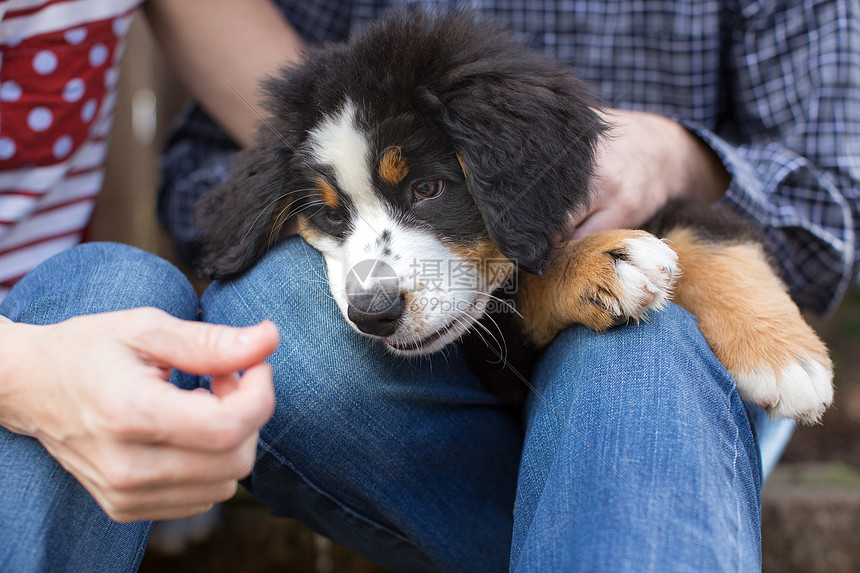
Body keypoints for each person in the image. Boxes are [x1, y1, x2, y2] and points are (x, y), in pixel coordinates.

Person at [0, 0, 857, 572]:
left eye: (425, 190)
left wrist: (676, 153)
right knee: (264, 311)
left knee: (641, 344)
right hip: (422, 407)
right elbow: (217, 203)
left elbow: (834, 209)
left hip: (653, 363)